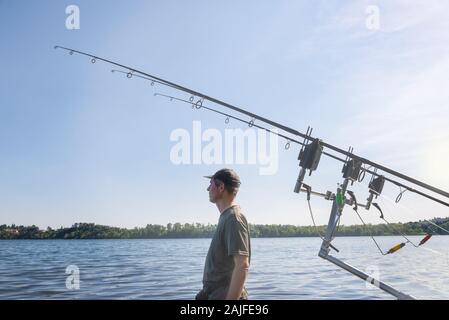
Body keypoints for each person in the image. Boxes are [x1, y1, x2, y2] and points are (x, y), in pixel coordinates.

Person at [195, 168, 251, 300]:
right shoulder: (226, 217)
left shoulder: (233, 218)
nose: (208, 189)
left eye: (211, 183)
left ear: (221, 187)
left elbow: (242, 265)